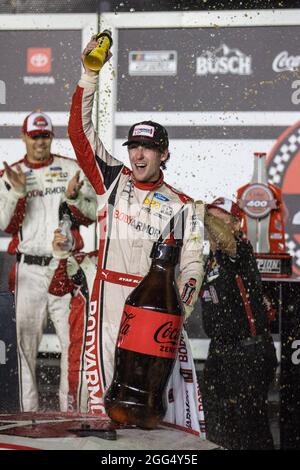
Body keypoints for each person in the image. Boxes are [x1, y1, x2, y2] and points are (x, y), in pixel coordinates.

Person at [67, 35, 205, 423]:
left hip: (152, 314)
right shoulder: (114, 179)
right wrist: (89, 74)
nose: (138, 154)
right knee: (98, 406)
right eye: (133, 147)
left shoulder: (184, 206)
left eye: (147, 148)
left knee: (144, 412)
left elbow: (193, 267)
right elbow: (80, 135)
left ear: (164, 154)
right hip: (109, 298)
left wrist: (178, 307)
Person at [48, 228, 206, 436]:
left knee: (135, 417)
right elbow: (57, 287)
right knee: (81, 414)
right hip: (87, 348)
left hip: (136, 349)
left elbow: (192, 275)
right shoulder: (84, 261)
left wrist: (177, 311)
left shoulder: (153, 279)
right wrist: (60, 254)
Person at [0, 111, 97, 412]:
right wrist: (17, 192)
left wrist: (74, 198)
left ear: (51, 137)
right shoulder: (11, 174)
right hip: (28, 271)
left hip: (65, 269)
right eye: (34, 136)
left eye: (45, 136)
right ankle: (27, 416)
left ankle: (72, 412)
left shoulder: (71, 169)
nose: (40, 142)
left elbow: (93, 214)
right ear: (24, 137)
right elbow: (4, 224)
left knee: (74, 346)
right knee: (24, 350)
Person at [200, 197, 278, 449]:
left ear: (235, 224)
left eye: (218, 218)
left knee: (250, 427)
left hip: (249, 352)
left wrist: (200, 212)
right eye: (208, 219)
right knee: (218, 428)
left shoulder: (240, 250)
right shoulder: (206, 260)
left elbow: (225, 240)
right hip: (220, 352)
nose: (210, 225)